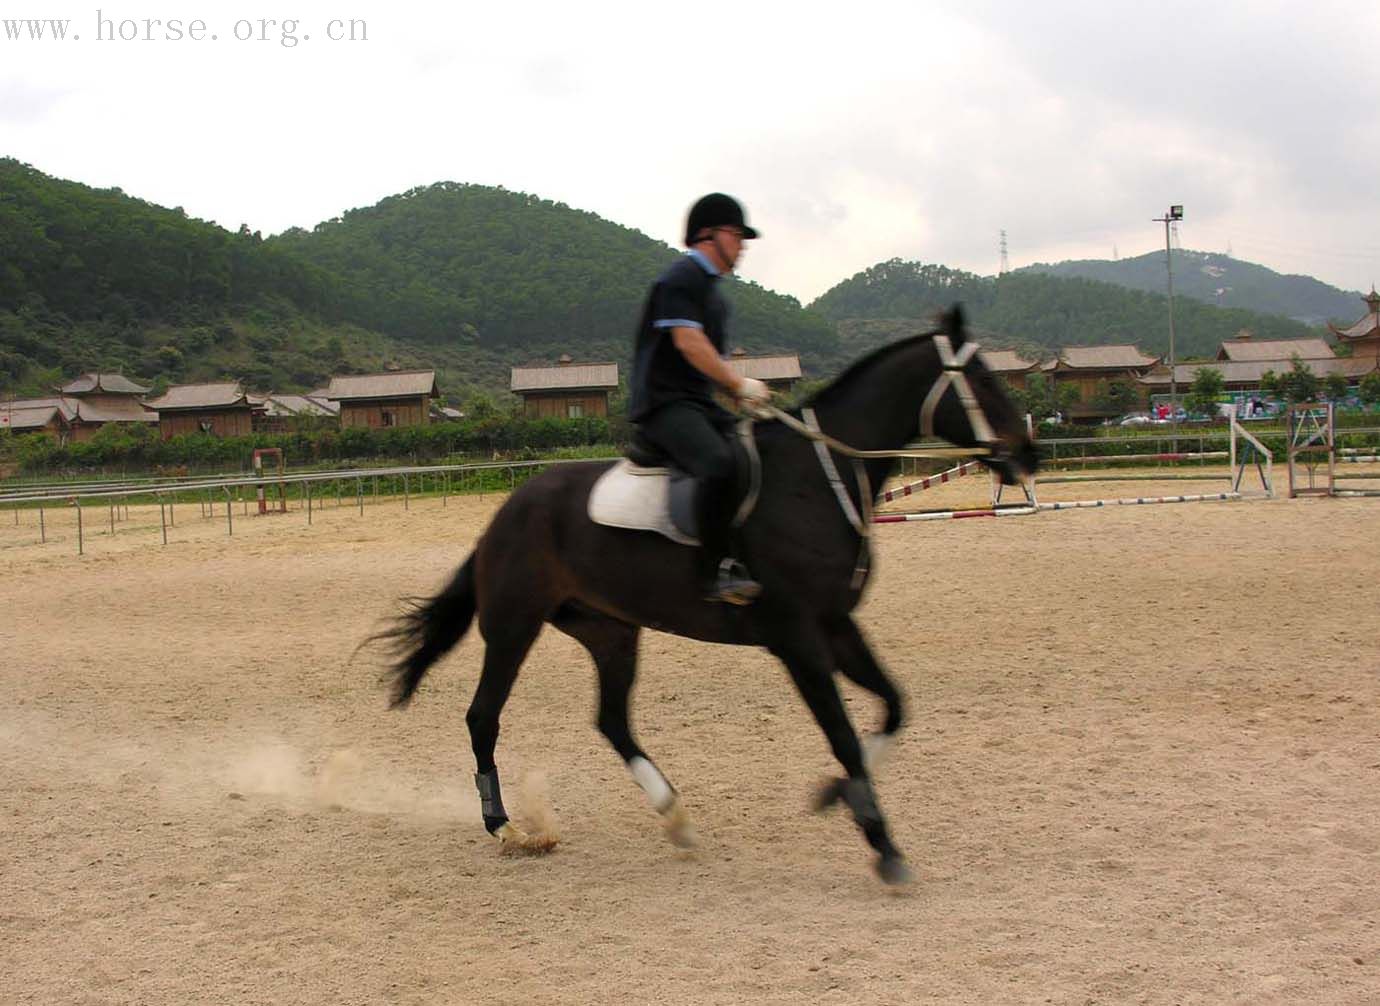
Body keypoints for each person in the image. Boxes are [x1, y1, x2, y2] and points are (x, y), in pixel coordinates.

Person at [627, 193, 772, 605]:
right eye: (737, 234)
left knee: (759, 448)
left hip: (698, 403)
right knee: (718, 463)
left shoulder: (715, 296)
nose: (743, 244)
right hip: (663, 405)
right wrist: (738, 384)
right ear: (708, 234)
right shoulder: (682, 278)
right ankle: (715, 571)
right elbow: (689, 344)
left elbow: (708, 362)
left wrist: (743, 397)